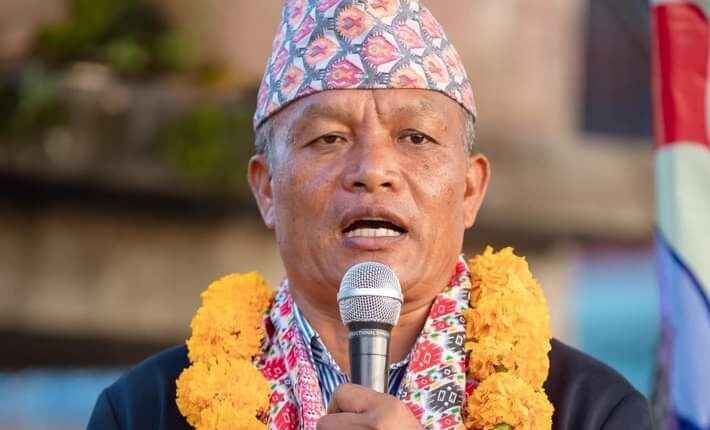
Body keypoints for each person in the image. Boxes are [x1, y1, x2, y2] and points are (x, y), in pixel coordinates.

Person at [87, 1, 654, 429]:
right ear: (266, 189)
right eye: (328, 139)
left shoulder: (591, 410)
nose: (373, 170)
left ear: (469, 189)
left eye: (415, 137)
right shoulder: (147, 410)